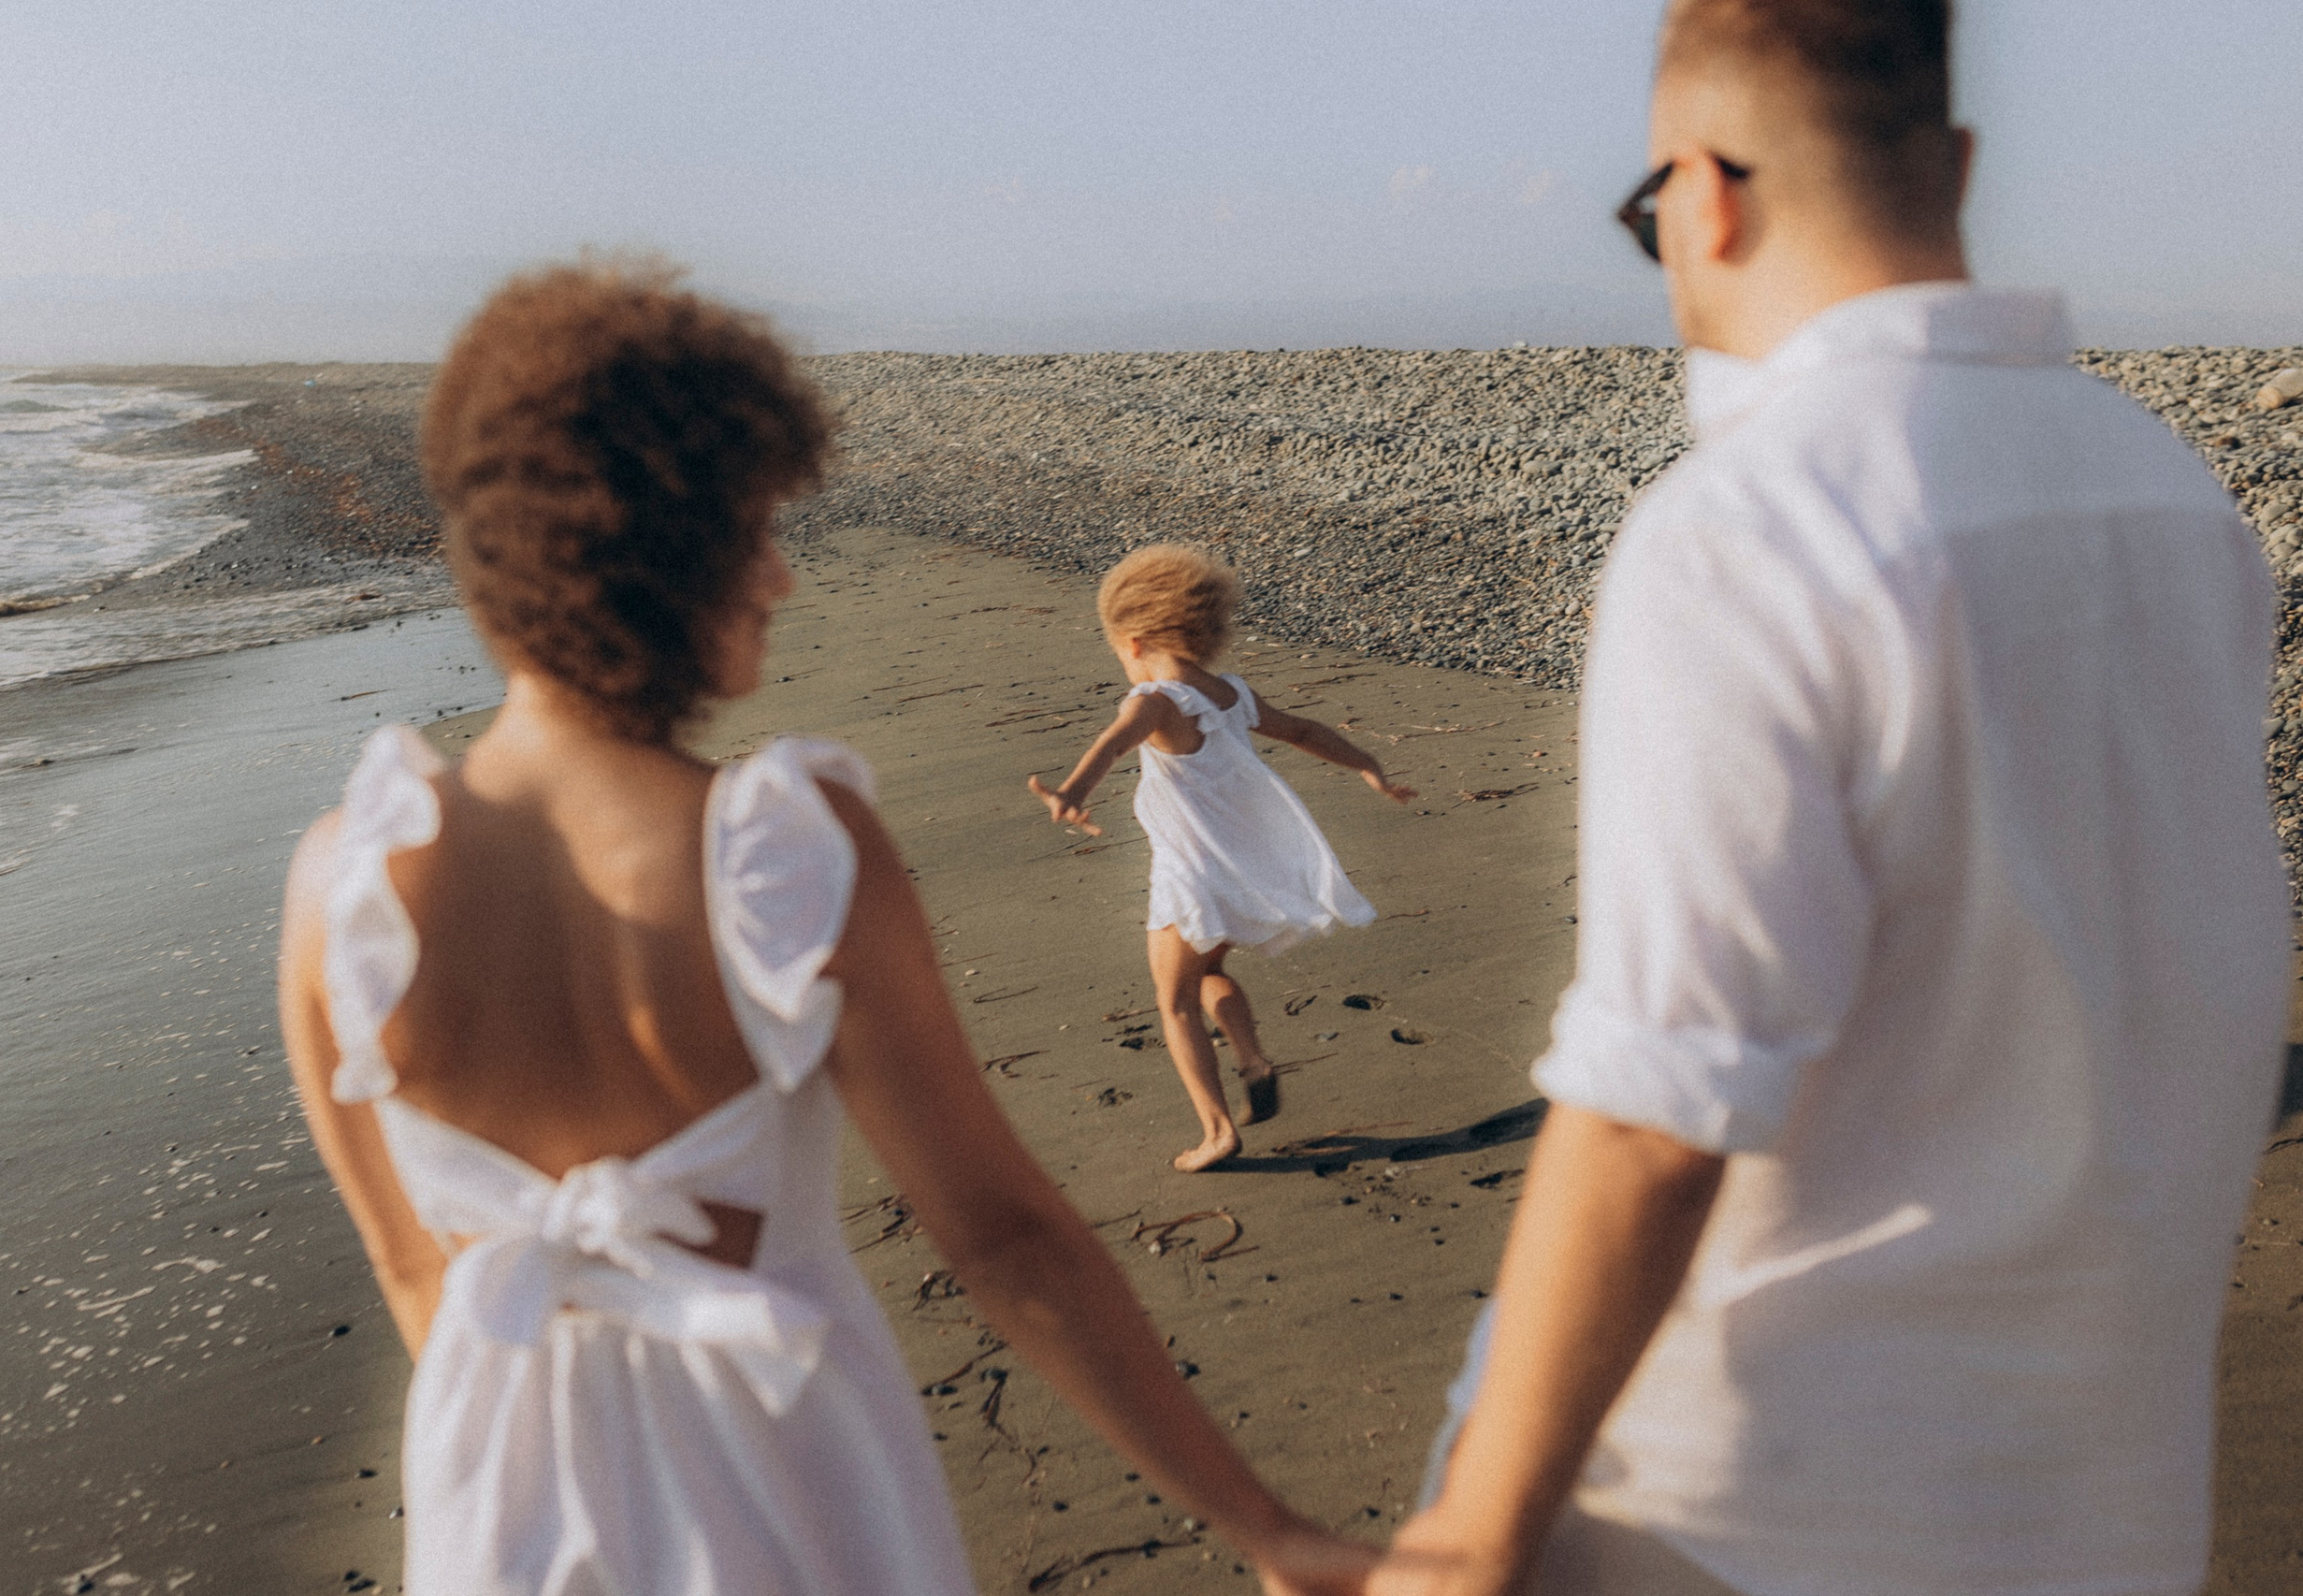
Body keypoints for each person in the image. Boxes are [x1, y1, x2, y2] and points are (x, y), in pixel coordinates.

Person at [276, 262, 1369, 1596]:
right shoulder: (783, 850)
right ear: (669, 548)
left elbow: (412, 1269)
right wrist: (1269, 1526)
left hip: (495, 1504)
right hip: (786, 1476)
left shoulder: (342, 885)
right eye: (757, 531)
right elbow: (1006, 1240)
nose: (783, 578)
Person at [1374, 4, 2289, 1594]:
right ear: (1959, 161)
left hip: (1757, 1506)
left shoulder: (1749, 524)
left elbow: (1661, 1101)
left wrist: (1468, 1531)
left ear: (1700, 195)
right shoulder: (2168, 491)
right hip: (2106, 1497)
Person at [1028, 544, 1414, 1171]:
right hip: (1234, 876)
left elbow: (1114, 742)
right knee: (1206, 976)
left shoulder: (1154, 701)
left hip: (1189, 882)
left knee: (1174, 1001)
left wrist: (1072, 792)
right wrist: (1367, 765)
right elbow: (1303, 731)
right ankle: (1252, 1060)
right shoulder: (1232, 694)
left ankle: (1216, 1131)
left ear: (1134, 641)